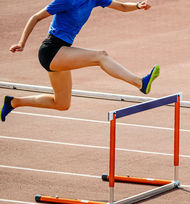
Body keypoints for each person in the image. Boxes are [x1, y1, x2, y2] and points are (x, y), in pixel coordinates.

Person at [2, 0, 159, 122]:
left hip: (63, 52)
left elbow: (122, 7)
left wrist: (138, 5)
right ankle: (140, 83)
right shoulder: (66, 1)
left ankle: (13, 102)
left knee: (61, 104)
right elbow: (35, 17)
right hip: (51, 50)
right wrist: (21, 43)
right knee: (100, 56)